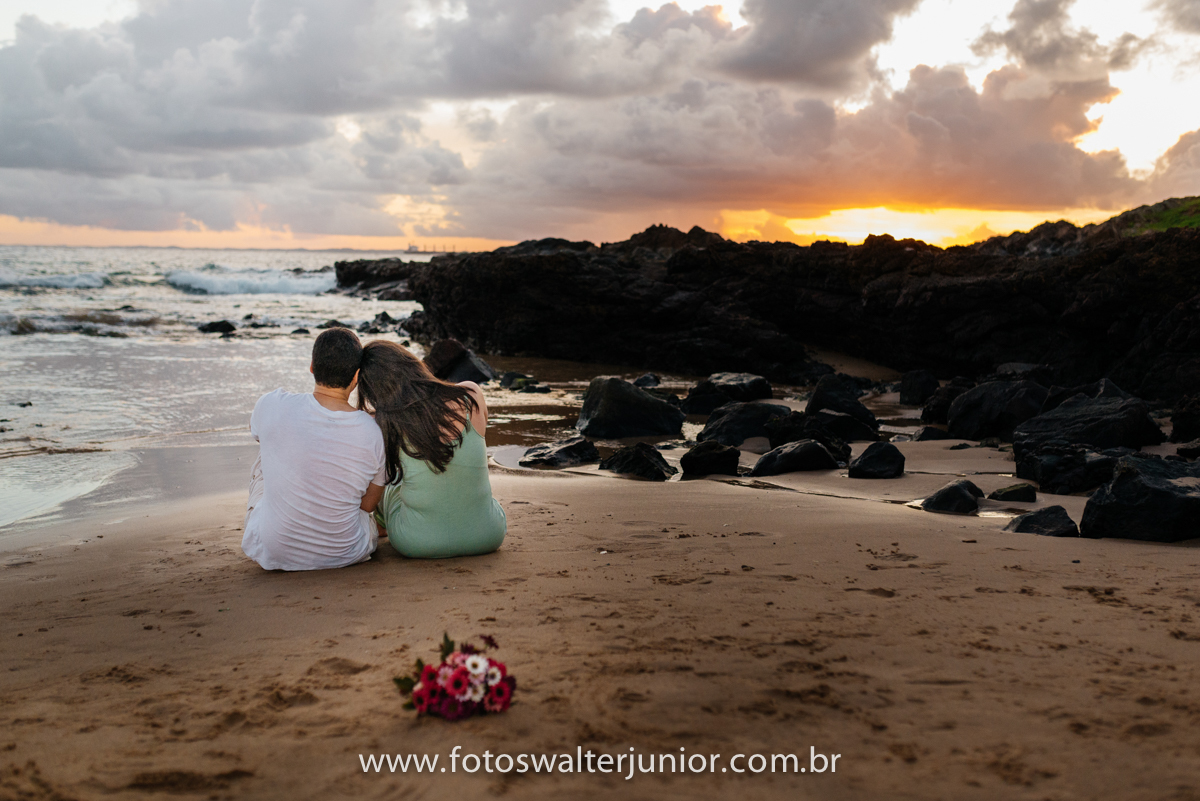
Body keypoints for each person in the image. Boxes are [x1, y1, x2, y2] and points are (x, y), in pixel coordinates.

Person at [242, 328, 387, 571]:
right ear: (356, 377)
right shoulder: (372, 430)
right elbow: (368, 505)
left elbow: (257, 433)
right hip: (347, 550)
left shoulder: (271, 404)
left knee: (265, 455)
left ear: (311, 367)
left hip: (276, 550)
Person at [355, 340, 506, 558]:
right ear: (412, 363)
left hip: (417, 542)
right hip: (488, 535)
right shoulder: (471, 395)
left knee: (389, 482)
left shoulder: (382, 424)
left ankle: (380, 526)